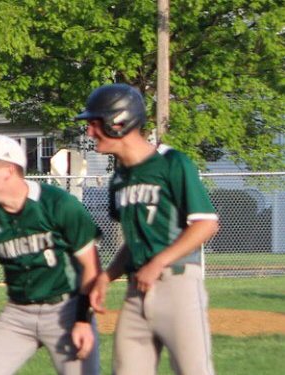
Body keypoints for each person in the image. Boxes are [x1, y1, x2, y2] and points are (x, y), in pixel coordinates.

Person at [78, 84, 219, 375]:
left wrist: (158, 262)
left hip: (178, 284)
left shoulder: (172, 163)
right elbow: (135, 240)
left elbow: (206, 224)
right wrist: (106, 277)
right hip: (136, 289)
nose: (90, 132)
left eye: (95, 123)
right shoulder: (119, 177)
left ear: (120, 122)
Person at [0, 135, 102, 375]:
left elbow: (91, 266)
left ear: (9, 170)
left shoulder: (58, 204)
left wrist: (83, 320)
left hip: (66, 309)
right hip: (18, 314)